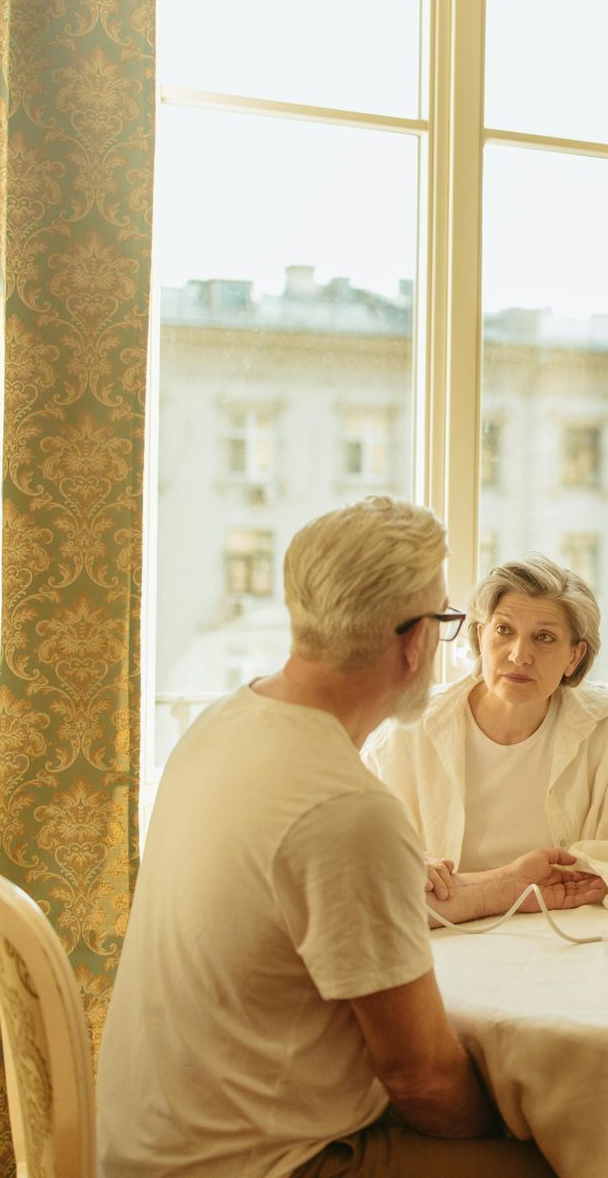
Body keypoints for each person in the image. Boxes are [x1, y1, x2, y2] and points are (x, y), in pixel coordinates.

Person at [97, 498, 555, 1177]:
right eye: (445, 620)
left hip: (155, 1137)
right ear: (414, 642)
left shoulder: (224, 722)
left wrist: (505, 884)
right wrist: (525, 1129)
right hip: (260, 1164)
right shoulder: (348, 810)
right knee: (570, 1157)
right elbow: (423, 1081)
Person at [367, 554, 608, 930]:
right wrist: (404, 861)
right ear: (480, 636)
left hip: (563, 936)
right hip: (446, 936)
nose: (519, 655)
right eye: (504, 630)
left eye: (544, 637)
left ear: (574, 656)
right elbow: (348, 840)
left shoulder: (604, 731)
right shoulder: (412, 724)